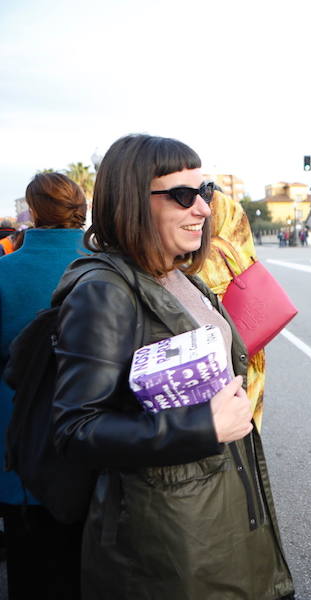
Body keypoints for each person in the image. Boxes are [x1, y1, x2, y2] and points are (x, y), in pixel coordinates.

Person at [50, 134, 294, 599]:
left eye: (204, 192)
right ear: (131, 201)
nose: (203, 209)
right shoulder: (104, 292)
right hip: (168, 545)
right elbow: (76, 429)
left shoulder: (182, 278)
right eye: (183, 196)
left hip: (220, 513)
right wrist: (202, 426)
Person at [0, 173, 87, 599]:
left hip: (19, 442)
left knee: (29, 567)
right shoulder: (112, 267)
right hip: (96, 446)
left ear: (32, 212)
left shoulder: (4, 272)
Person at [197, 189, 268, 427]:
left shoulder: (202, 257)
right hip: (250, 348)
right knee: (246, 413)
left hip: (218, 358)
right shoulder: (239, 252)